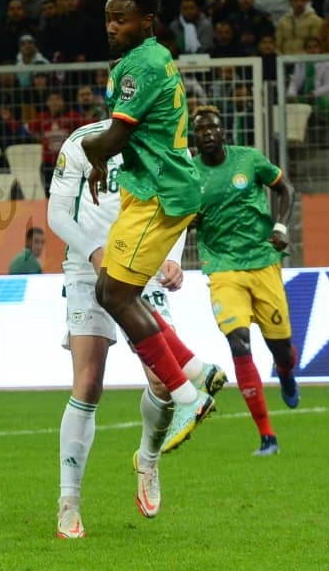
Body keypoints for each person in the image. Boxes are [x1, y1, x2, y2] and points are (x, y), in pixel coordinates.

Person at [48, 119, 226, 534]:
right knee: (87, 384)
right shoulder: (81, 142)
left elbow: (179, 202)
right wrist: (93, 251)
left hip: (142, 267)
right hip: (86, 268)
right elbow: (56, 213)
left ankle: (148, 459)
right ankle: (68, 502)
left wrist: (174, 256)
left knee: (162, 382)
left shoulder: (161, 139)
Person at [79, 0, 216, 454]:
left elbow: (113, 137)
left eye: (122, 19)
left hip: (159, 192)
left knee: (117, 294)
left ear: (147, 21)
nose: (112, 26)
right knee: (110, 291)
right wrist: (101, 154)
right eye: (108, 17)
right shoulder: (147, 58)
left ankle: (186, 397)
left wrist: (89, 150)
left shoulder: (140, 65)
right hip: (146, 187)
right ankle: (197, 371)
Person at [191, 105, 301, 456]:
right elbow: (180, 217)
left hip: (262, 262)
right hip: (222, 267)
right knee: (239, 344)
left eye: (213, 128)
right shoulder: (189, 173)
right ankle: (267, 436)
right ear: (194, 138)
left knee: (282, 349)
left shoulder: (249, 160)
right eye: (201, 130)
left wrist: (280, 227)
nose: (208, 134)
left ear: (224, 132)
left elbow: (286, 189)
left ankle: (285, 372)